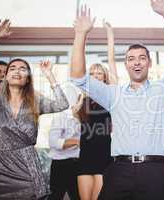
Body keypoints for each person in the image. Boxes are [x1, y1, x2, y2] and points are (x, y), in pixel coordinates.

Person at [70, 0, 164, 199]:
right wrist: (80, 34)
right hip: (119, 170)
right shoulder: (113, 93)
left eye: (142, 57)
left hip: (156, 171)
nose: (136, 62)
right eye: (131, 58)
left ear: (149, 63)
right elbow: (78, 77)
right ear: (126, 65)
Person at [0, 20, 69, 200]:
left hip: (28, 170)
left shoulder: (35, 101)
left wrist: (50, 76)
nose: (17, 71)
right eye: (12, 68)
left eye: (23, 69)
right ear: (6, 76)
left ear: (28, 78)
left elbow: (63, 104)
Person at [74, 13, 116, 200]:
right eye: (93, 73)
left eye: (100, 73)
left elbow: (112, 62)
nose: (96, 75)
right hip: (85, 156)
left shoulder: (110, 97)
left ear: (104, 77)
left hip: (104, 156)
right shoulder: (81, 101)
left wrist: (110, 36)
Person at [48, 94, 85, 200]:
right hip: (61, 164)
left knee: (78, 197)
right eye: (83, 101)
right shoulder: (61, 116)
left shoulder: (87, 118)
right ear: (77, 101)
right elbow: (53, 142)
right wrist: (78, 142)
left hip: (80, 164)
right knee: (55, 197)